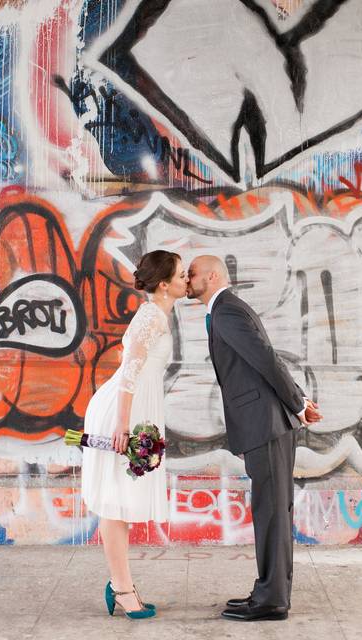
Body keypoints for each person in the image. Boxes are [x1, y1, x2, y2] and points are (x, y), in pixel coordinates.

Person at [186, 255, 322, 622]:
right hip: (265, 423)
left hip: (266, 424)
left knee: (272, 511)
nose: (187, 278)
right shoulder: (227, 309)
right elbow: (266, 359)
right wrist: (300, 400)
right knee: (272, 510)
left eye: (192, 273)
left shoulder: (228, 310)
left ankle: (271, 600)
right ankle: (270, 591)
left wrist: (297, 402)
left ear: (212, 276)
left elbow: (265, 359)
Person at [80, 249, 188, 620]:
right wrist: (123, 425)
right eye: (181, 276)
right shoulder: (149, 317)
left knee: (122, 502)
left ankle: (121, 586)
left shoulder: (159, 315)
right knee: (115, 503)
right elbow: (129, 373)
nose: (186, 280)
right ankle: (123, 590)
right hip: (122, 412)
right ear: (163, 284)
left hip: (137, 412)